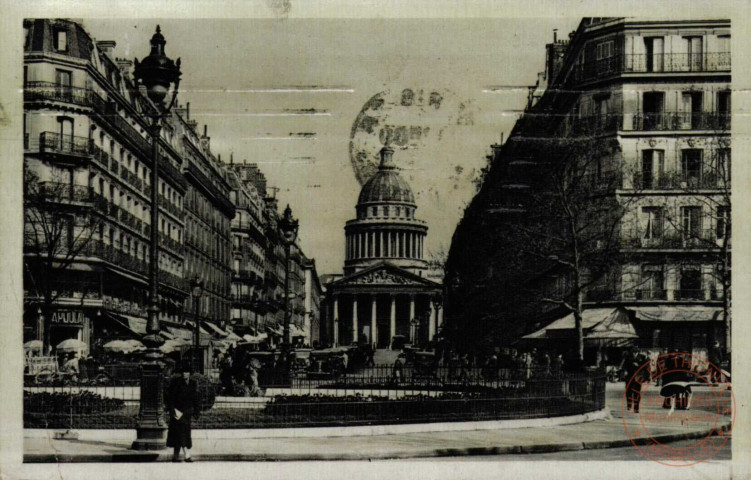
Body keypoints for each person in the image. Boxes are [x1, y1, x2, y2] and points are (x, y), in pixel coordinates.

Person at [166, 367, 201, 462]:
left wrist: (197, 411)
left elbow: (195, 398)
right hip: (177, 412)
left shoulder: (193, 383)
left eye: (187, 372)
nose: (185, 374)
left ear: (190, 373)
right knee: (181, 433)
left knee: (180, 433)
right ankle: (187, 455)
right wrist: (172, 410)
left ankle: (175, 456)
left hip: (187, 412)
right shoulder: (176, 382)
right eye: (184, 372)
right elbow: (171, 397)